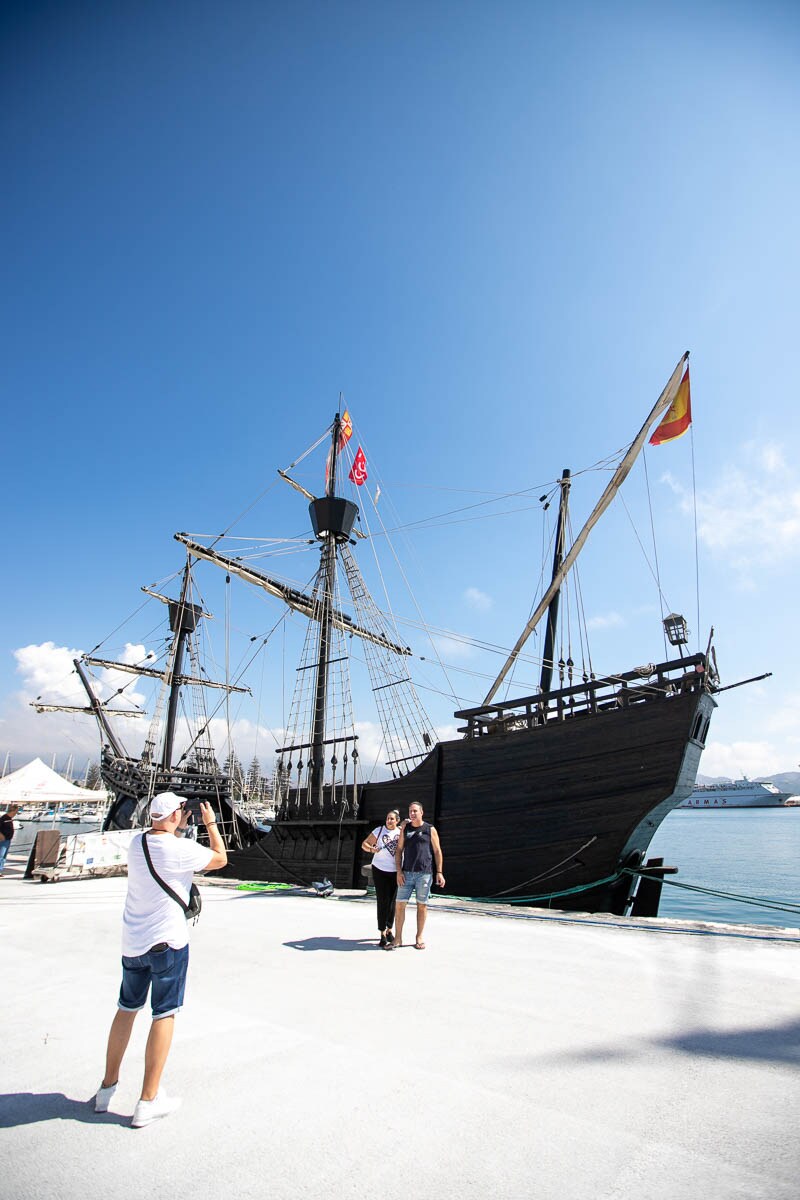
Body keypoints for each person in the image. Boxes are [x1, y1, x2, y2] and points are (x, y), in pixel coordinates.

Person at [94, 792, 226, 1127]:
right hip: (168, 942)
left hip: (133, 944)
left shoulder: (137, 844)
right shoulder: (181, 849)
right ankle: (148, 1100)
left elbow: (165, 842)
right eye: (182, 811)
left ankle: (106, 1089)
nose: (186, 814)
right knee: (164, 1014)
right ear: (173, 816)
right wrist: (210, 824)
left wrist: (176, 825)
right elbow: (220, 858)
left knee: (126, 1009)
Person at [392, 802, 445, 950]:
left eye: (415, 811)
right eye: (410, 811)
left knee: (422, 905)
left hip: (424, 874)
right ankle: (398, 938)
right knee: (400, 905)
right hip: (406, 873)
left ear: (422, 812)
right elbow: (399, 850)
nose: (412, 814)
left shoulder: (430, 829)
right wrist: (398, 871)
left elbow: (437, 851)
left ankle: (419, 936)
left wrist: (439, 872)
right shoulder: (405, 829)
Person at [361, 809, 402, 948]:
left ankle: (390, 929)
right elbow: (364, 844)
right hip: (379, 869)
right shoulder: (379, 830)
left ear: (397, 820)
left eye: (392, 819)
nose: (389, 821)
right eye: (387, 818)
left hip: (395, 871)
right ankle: (382, 933)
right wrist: (372, 849)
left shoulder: (401, 831)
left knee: (393, 902)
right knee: (382, 900)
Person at [0, 804, 19, 874]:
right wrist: (1, 835)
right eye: (15, 812)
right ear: (12, 811)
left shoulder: (9, 819)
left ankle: (0, 870)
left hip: (8, 839)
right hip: (3, 840)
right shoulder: (4, 818)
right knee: (1, 855)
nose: (15, 814)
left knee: (4, 856)